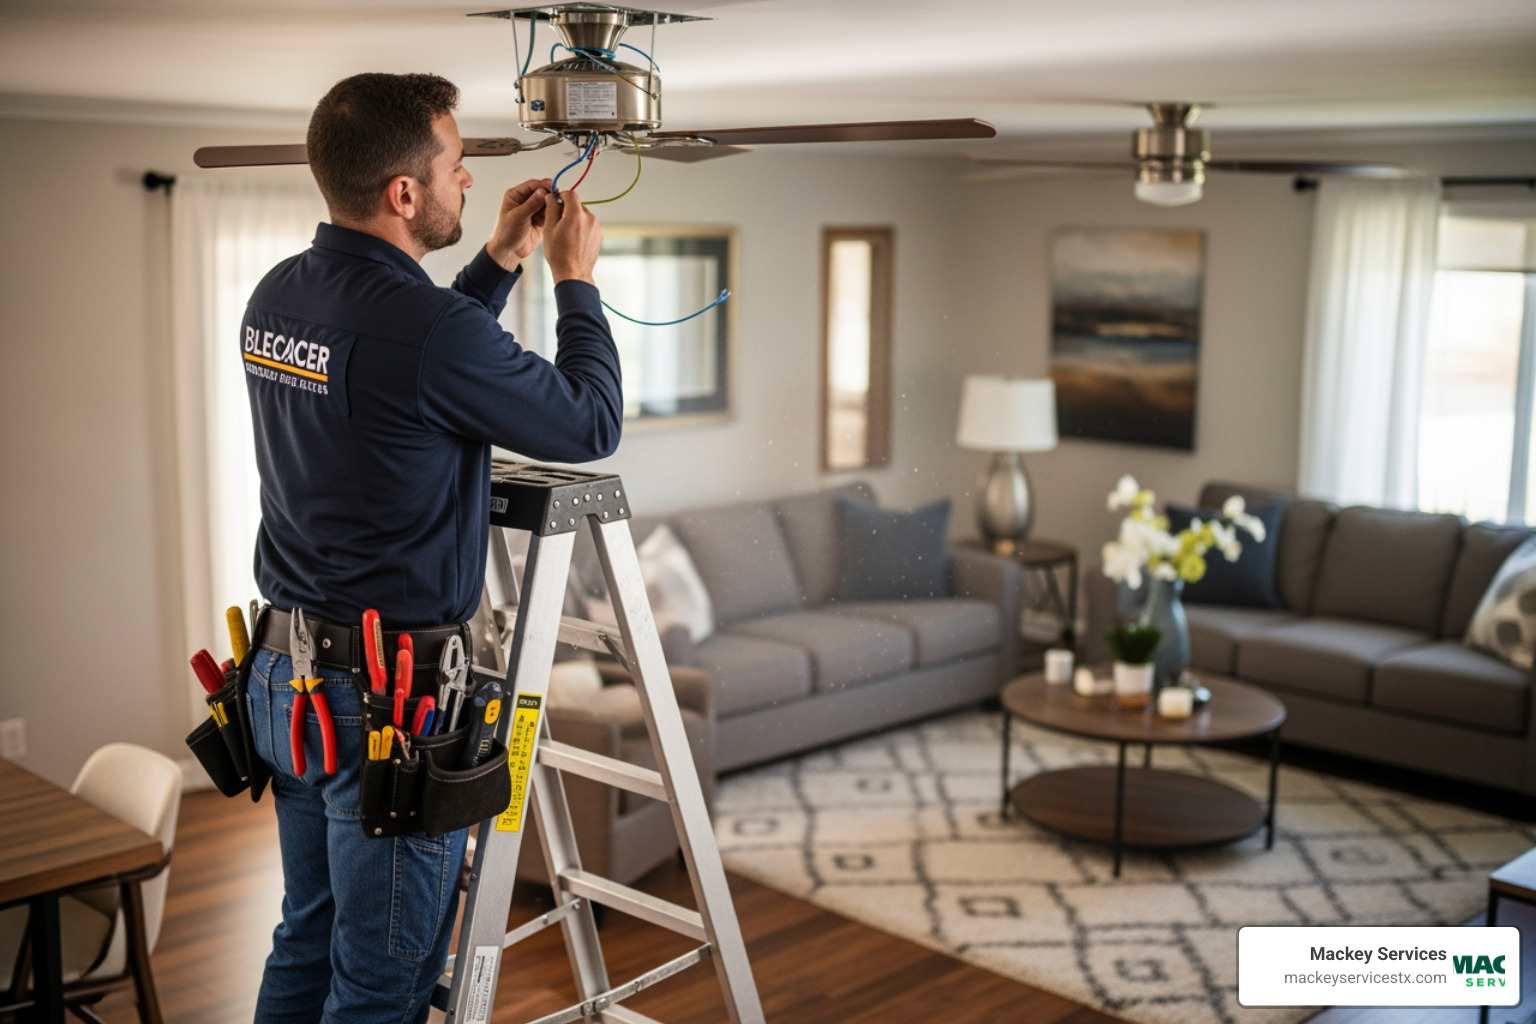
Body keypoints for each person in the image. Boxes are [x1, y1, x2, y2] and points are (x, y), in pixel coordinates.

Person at [238, 72, 621, 1023]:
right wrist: (575, 281)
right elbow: (590, 421)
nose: (465, 183)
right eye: (456, 166)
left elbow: (408, 366)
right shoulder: (428, 331)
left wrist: (496, 261)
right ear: (403, 194)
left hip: (285, 681)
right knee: (382, 984)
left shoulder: (277, 295)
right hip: (388, 705)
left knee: (307, 939)